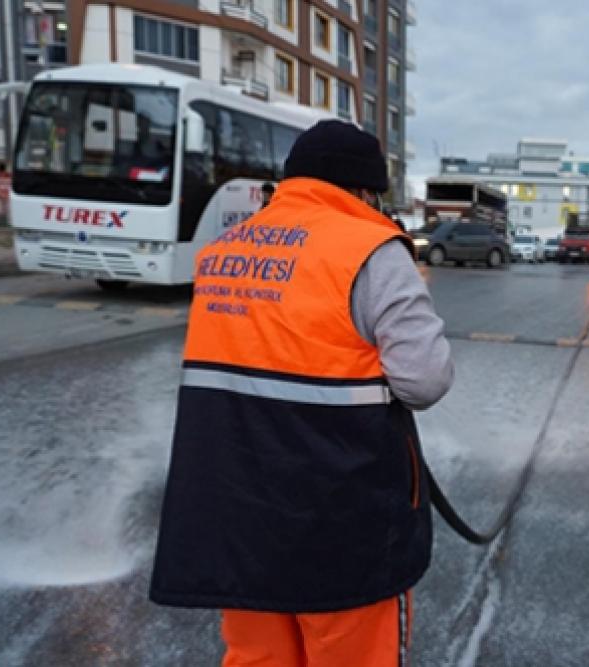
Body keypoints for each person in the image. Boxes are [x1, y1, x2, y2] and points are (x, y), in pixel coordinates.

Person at [149, 120, 454, 667]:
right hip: (340, 521)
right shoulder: (373, 251)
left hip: (239, 513)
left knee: (257, 658)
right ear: (364, 190)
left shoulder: (222, 252)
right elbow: (423, 380)